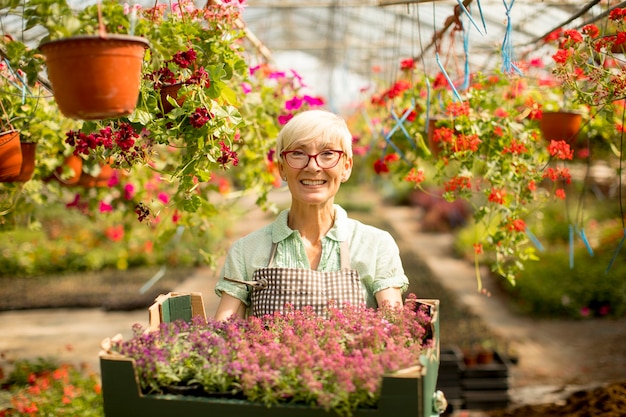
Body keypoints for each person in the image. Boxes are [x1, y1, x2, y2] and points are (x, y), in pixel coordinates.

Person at [214, 109, 409, 320]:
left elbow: (393, 330)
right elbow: (224, 334)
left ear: (346, 167)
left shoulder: (376, 245)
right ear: (281, 168)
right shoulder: (246, 252)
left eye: (328, 154)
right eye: (298, 153)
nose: (313, 166)